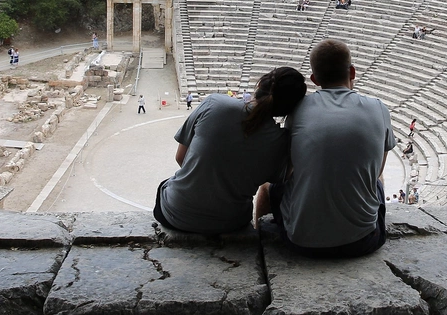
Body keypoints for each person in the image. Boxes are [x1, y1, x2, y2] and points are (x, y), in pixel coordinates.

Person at [255, 40, 394, 258]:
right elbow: (376, 172)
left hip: (300, 242)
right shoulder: (379, 108)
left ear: (314, 79)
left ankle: (257, 239)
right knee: (377, 177)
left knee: (266, 188)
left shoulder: (297, 111)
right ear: (352, 72)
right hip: (363, 240)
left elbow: (289, 168)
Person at [154, 67, 306, 235]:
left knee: (166, 186)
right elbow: (278, 178)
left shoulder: (214, 103)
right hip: (231, 222)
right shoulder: (281, 141)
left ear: (259, 85)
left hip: (176, 213)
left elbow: (180, 157)